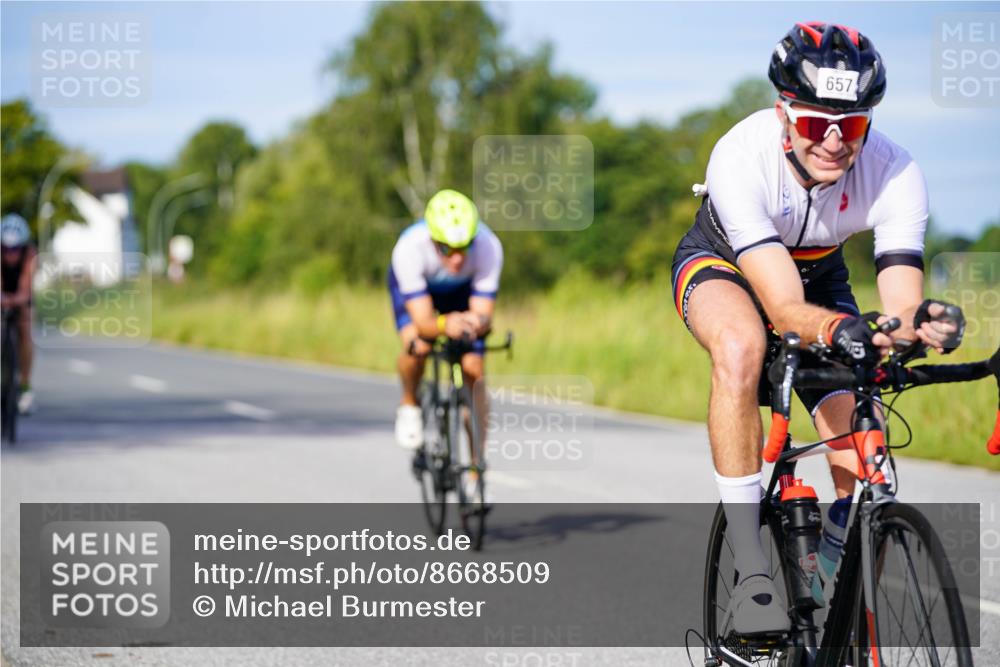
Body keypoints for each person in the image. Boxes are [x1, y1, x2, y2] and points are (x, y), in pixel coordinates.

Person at [670, 23, 964, 635]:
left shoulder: (894, 170)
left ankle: (839, 572)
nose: (833, 141)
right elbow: (780, 309)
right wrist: (853, 330)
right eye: (813, 123)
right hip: (726, 264)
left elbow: (900, 304)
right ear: (783, 115)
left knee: (866, 437)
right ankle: (752, 569)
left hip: (819, 276)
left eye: (851, 125)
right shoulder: (740, 155)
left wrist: (919, 325)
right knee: (742, 346)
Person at [388, 189, 503, 451]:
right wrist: (442, 325)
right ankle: (409, 405)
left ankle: (477, 469)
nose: (457, 258)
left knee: (473, 367)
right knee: (418, 347)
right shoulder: (409, 249)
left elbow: (483, 311)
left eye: (464, 247)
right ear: (432, 240)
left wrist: (476, 323)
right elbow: (422, 322)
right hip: (420, 293)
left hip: (462, 293)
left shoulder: (488, 247)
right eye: (447, 249)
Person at [1, 213, 38, 414]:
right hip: (2, 291)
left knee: (25, 331)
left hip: (21, 294)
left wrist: (16, 300)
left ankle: (24, 386)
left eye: (15, 249)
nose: (10, 254)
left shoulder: (30, 255)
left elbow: (26, 288)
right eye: (6, 249)